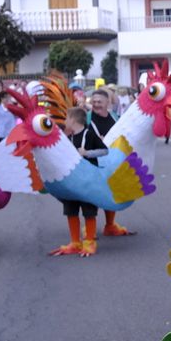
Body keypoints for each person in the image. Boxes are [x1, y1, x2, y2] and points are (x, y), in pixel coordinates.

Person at [84, 89, 133, 236]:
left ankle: (110, 225)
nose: (96, 104)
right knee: (91, 197)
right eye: (94, 102)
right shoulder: (87, 118)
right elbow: (79, 137)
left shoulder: (114, 117)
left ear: (107, 103)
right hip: (93, 162)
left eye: (99, 102)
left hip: (112, 163)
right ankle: (89, 229)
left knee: (110, 193)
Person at [54, 107, 103, 257]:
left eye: (66, 118)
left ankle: (89, 243)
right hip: (71, 182)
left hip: (88, 181)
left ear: (73, 120)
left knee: (89, 211)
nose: (65, 121)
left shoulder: (89, 134)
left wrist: (87, 153)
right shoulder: (68, 137)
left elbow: (104, 150)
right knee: (71, 210)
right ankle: (75, 242)